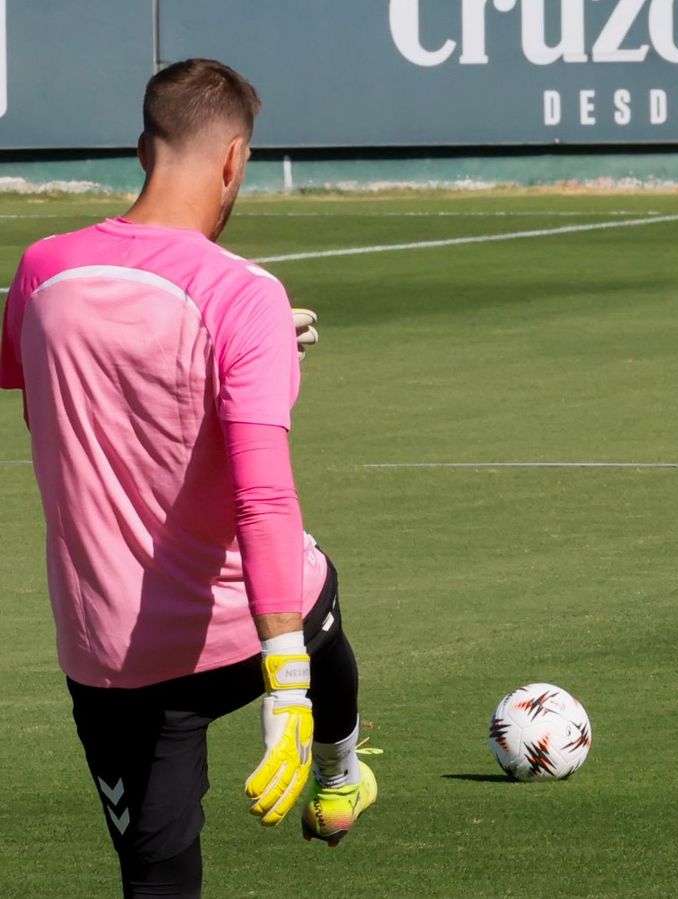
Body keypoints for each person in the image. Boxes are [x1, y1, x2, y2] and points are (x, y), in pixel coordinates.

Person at [0, 58, 374, 898]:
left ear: (143, 150)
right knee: (314, 582)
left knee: (157, 878)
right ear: (235, 159)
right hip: (243, 631)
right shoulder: (244, 294)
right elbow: (263, 496)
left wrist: (253, 351)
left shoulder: (42, 268)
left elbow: (37, 379)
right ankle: (339, 765)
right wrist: (287, 682)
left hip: (111, 654)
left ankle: (339, 763)